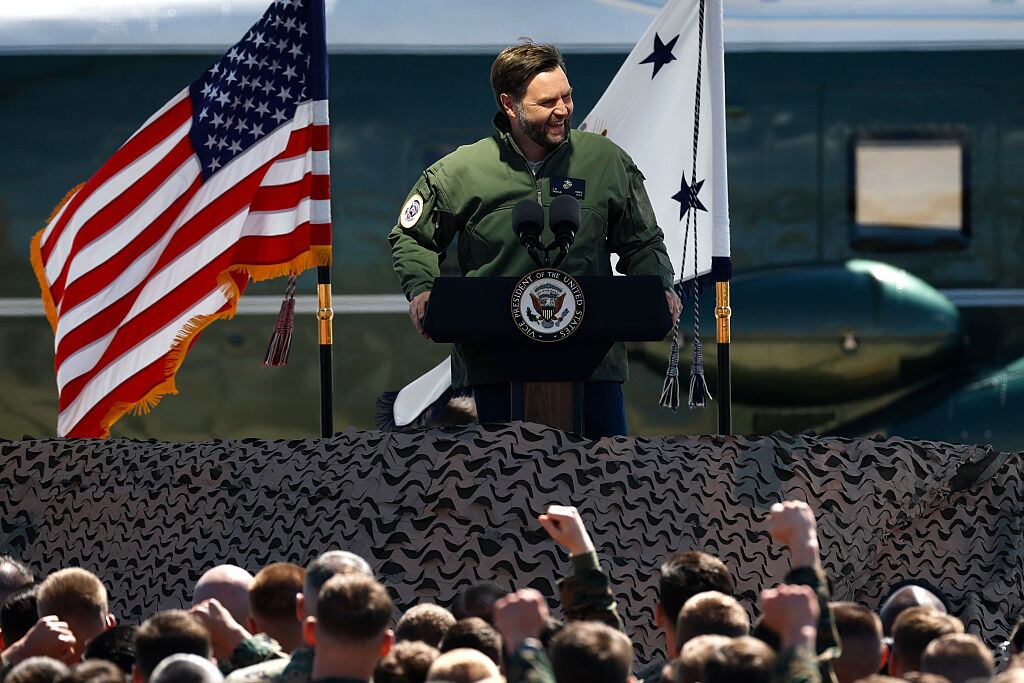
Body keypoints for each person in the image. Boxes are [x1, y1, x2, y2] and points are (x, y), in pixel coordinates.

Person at [388, 41, 680, 438]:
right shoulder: (459, 172)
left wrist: (659, 287)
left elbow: (641, 243)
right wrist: (421, 290)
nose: (563, 110)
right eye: (547, 102)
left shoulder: (606, 162)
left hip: (592, 368)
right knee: (500, 490)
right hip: (493, 368)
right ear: (510, 105)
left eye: (567, 96)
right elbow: (411, 238)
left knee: (606, 488)